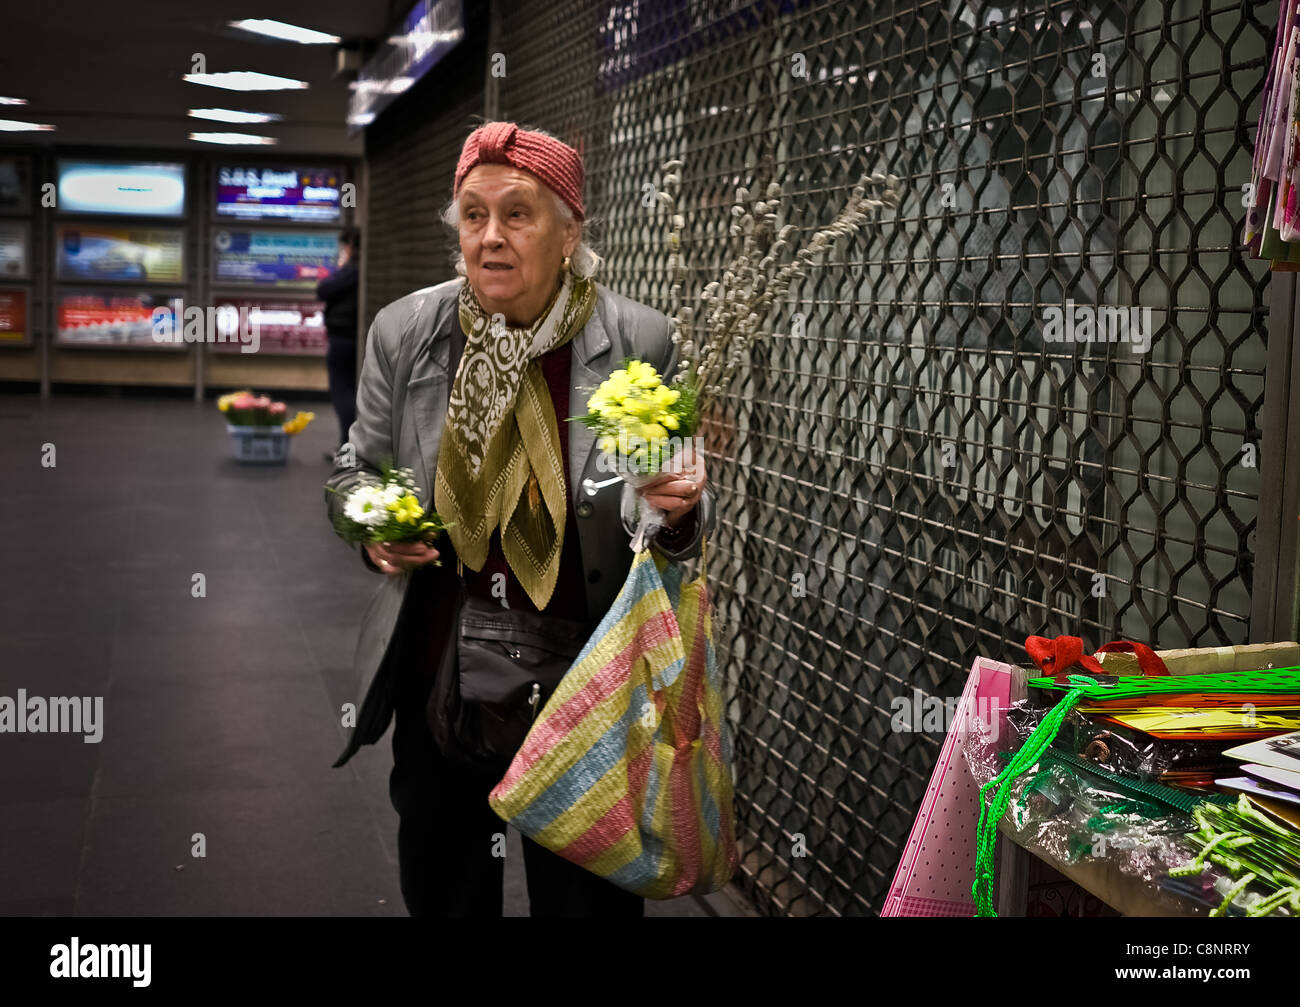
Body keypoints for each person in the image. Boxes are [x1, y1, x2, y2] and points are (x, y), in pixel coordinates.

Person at [324, 121, 716, 917]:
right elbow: (354, 471)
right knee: (445, 886)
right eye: (473, 215)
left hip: (586, 686)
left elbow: (671, 522)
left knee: (585, 903)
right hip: (443, 675)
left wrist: (675, 510)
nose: (490, 238)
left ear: (570, 233)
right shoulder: (406, 334)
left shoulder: (636, 338)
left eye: (518, 215)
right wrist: (374, 526)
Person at [317, 226, 361, 459]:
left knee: (342, 392)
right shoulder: (360, 269)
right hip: (351, 337)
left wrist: (342, 265)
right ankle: (348, 446)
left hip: (343, 338)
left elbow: (323, 289)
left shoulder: (353, 269)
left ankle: (348, 447)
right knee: (349, 392)